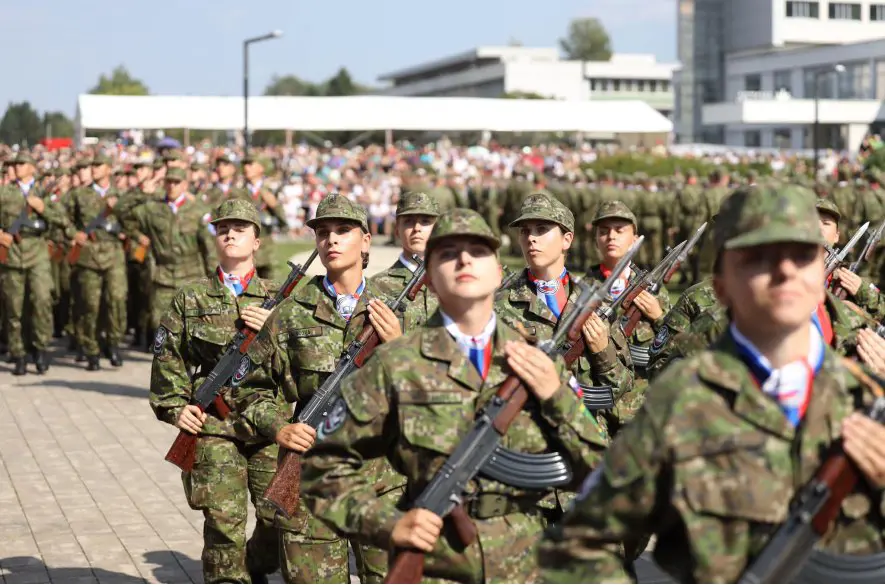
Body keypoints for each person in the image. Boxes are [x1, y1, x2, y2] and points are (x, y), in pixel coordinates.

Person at [539, 184, 885, 583]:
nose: (784, 270)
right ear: (723, 284)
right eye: (759, 257)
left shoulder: (869, 376)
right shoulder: (684, 391)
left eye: (802, 254)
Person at [299, 208, 609, 584]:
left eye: (478, 251)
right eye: (447, 253)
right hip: (437, 566)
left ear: (498, 272)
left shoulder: (537, 361)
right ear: (428, 278)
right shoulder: (396, 363)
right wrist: (391, 524)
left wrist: (555, 395)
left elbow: (600, 469)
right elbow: (322, 468)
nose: (463, 259)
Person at [239, 193, 402, 583]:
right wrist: (279, 426)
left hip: (382, 480)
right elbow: (249, 387)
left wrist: (398, 348)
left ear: (366, 241)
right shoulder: (292, 313)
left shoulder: (397, 311)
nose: (331, 239)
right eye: (323, 232)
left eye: (343, 231)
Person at [149, 199, 281, 584]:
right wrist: (176, 408)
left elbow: (298, 360)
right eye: (223, 227)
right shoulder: (190, 298)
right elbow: (168, 357)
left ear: (257, 240)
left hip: (269, 425)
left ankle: (254, 563)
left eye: (241, 228)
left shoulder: (279, 297)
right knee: (224, 523)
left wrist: (273, 327)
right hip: (213, 426)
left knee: (280, 517)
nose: (230, 233)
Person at [495, 192, 633, 437]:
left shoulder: (596, 304)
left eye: (541, 229)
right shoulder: (499, 306)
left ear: (566, 239)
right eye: (525, 231)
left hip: (588, 436)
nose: (531, 239)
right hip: (528, 437)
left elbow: (621, 388)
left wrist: (603, 352)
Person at [585, 200, 670, 429]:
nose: (611, 236)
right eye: (603, 232)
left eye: (619, 230)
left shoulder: (653, 290)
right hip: (600, 414)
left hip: (647, 410)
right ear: (596, 240)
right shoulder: (581, 292)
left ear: (634, 238)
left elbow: (677, 349)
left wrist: (659, 316)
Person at [123, 167, 213, 338]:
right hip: (162, 276)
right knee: (162, 327)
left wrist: (214, 281)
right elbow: (122, 213)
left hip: (190, 277)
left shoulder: (197, 210)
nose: (172, 186)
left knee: (191, 329)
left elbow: (209, 248)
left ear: (185, 185)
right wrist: (142, 192)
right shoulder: (152, 208)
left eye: (176, 182)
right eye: (168, 182)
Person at [0, 152, 67, 375]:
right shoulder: (5, 191)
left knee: (41, 302)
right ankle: (18, 354)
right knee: (14, 308)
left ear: (31, 167)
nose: (16, 167)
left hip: (37, 254)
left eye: (20, 163)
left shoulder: (42, 192)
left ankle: (39, 349)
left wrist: (42, 208)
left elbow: (62, 220)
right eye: (14, 164)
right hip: (11, 256)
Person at [65, 154, 128, 371]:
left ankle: (113, 342)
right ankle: (91, 350)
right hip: (89, 255)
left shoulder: (120, 195)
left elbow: (133, 222)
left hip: (114, 253)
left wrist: (118, 211)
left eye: (97, 164)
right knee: (89, 304)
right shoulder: (79, 194)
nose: (93, 168)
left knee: (116, 300)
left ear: (108, 169)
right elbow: (61, 216)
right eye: (92, 165)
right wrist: (73, 233)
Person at [369, 191, 440, 332]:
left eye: (425, 221)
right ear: (397, 231)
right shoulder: (376, 286)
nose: (417, 228)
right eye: (408, 222)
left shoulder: (453, 279)